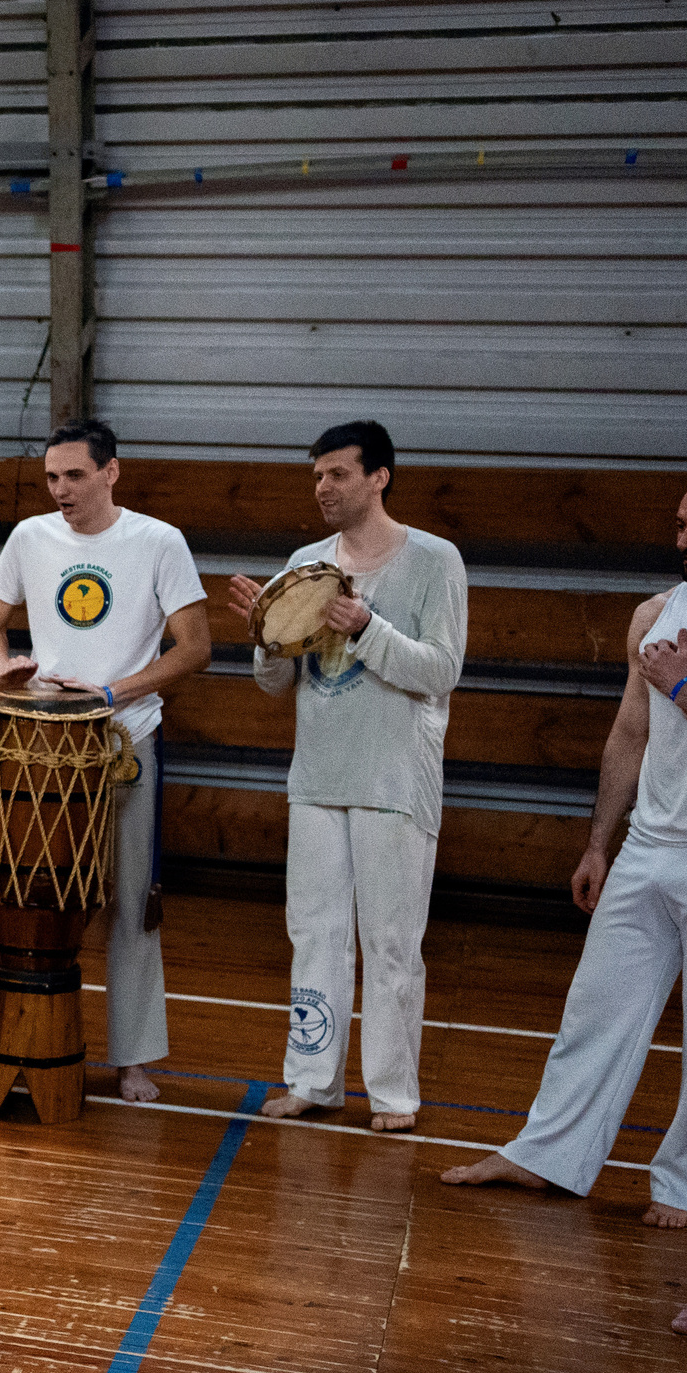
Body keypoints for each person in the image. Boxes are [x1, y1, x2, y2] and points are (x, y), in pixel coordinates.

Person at [442, 482, 687, 1229]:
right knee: (596, 1007)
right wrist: (598, 843)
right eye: (680, 524)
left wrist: (685, 685)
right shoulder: (654, 615)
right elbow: (629, 732)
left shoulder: (676, 654)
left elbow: (677, 699)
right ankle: (549, 1153)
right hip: (647, 845)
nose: (684, 540)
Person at [227, 422, 467, 1134]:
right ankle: (312, 1081)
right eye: (317, 476)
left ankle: (393, 1094)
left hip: (395, 783)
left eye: (337, 474)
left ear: (379, 477)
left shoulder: (434, 560)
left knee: (392, 942)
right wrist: (266, 638)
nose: (322, 488)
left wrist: (365, 627)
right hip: (317, 779)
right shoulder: (304, 564)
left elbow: (440, 670)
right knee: (314, 934)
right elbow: (277, 682)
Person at [0, 419, 209, 1102]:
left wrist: (112, 693)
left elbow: (195, 646)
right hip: (41, 747)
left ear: (111, 472)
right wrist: (3, 665)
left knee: (132, 905)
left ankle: (132, 1059)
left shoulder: (159, 541)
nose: (61, 489)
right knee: (26, 899)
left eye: (74, 475)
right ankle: (11, 1045)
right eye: (52, 477)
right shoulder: (30, 537)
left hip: (125, 739)